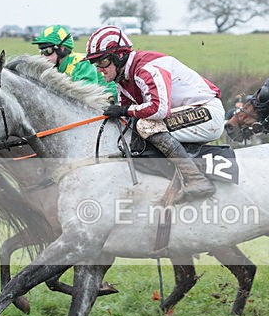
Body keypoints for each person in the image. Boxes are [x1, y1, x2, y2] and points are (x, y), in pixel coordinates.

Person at [84, 25, 225, 203]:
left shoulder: (145, 68)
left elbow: (159, 109)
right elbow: (129, 115)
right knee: (132, 128)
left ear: (119, 56)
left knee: (145, 125)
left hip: (206, 112)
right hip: (188, 113)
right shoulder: (122, 79)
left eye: (103, 62)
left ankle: (196, 179)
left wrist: (123, 110)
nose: (99, 69)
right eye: (96, 64)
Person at [30, 24, 117, 99]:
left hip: (111, 101)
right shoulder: (56, 67)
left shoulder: (81, 63)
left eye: (47, 51)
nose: (43, 56)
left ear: (62, 49)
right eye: (41, 51)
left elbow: (85, 95)